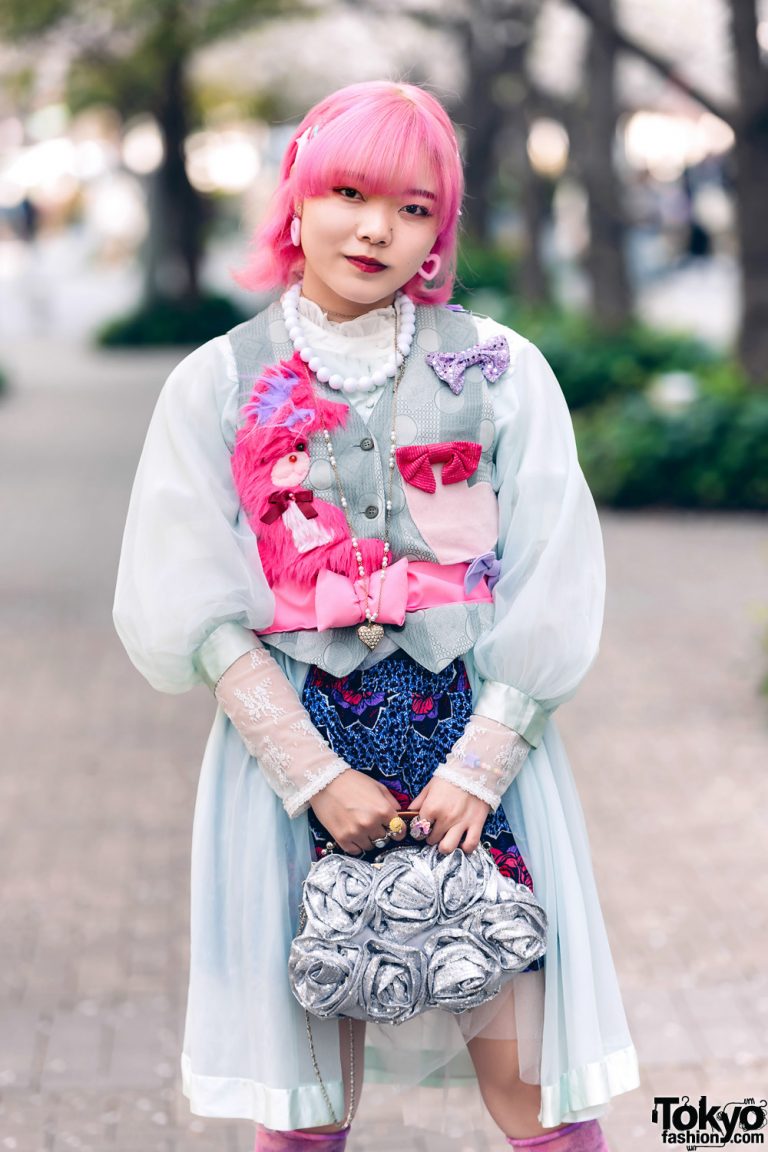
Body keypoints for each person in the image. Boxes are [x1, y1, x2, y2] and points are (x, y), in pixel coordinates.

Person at [113, 81, 639, 1152]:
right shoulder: (216, 384)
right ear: (296, 197)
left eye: (411, 206)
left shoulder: (498, 373)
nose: (375, 228)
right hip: (295, 762)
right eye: (348, 192)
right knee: (306, 1109)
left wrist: (482, 763)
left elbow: (555, 569)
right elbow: (194, 607)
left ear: (439, 228)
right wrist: (312, 775)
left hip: (476, 751)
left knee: (536, 1090)